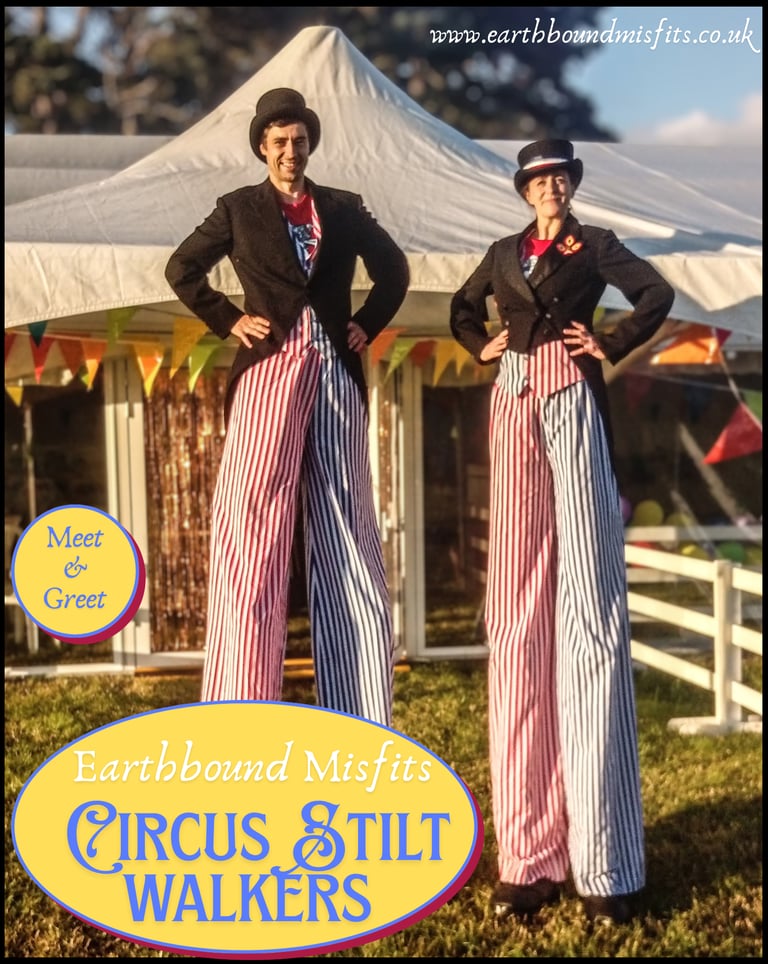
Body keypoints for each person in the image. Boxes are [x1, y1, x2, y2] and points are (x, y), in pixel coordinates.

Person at [450, 139, 675, 925]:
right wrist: (479, 343)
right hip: (512, 404)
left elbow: (656, 294)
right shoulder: (503, 251)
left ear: (570, 186)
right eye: (537, 179)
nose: (548, 188)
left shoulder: (596, 246)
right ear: (524, 190)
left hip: (574, 403)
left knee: (590, 617)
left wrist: (606, 344)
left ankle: (606, 862)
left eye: (558, 177)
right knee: (516, 618)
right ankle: (528, 856)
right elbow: (460, 307)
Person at [165, 88, 409, 726]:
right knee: (252, 524)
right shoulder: (239, 209)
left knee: (345, 522)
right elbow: (182, 268)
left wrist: (366, 323)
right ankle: (238, 706)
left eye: (298, 140)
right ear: (263, 147)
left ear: (309, 144)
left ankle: (357, 708)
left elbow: (395, 272)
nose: (289, 151)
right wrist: (227, 320)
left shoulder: (343, 209)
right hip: (268, 366)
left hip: (333, 366)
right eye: (278, 141)